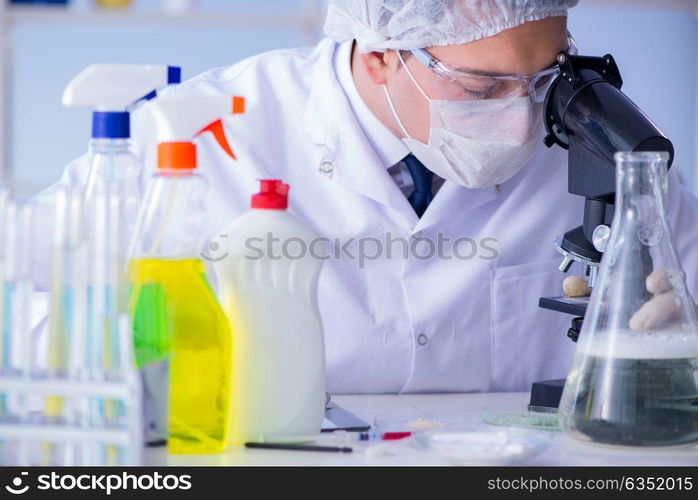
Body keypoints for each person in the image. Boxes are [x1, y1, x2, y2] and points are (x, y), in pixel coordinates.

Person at [43, 0, 698, 394]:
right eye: (479, 88)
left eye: (542, 80)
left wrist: (681, 344)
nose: (525, 122)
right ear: (381, 52)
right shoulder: (210, 129)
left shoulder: (608, 151)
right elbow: (34, 299)